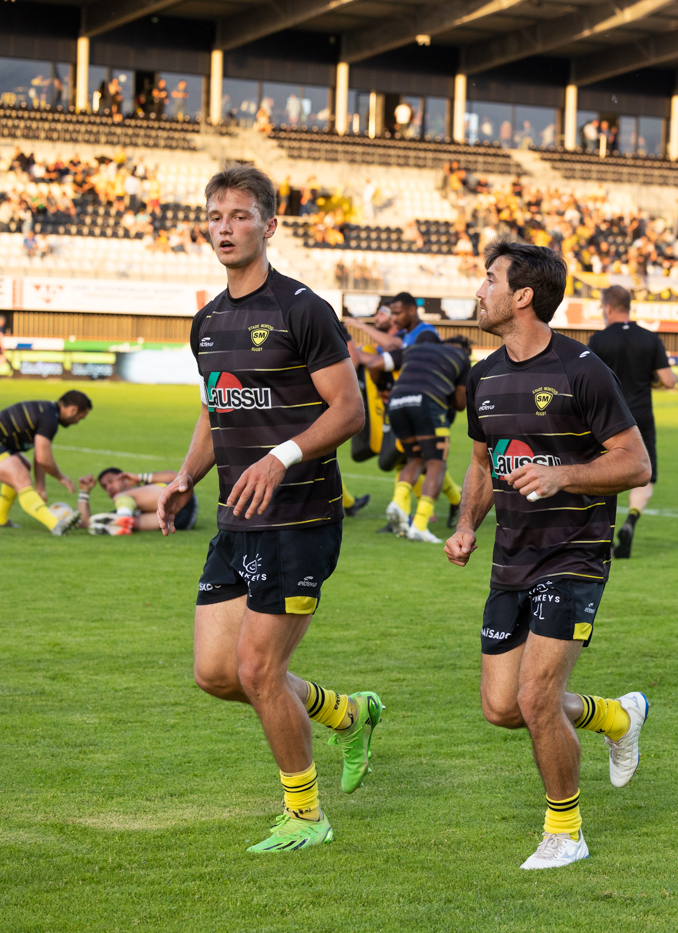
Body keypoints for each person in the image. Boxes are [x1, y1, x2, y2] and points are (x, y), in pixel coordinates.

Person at [155, 164, 382, 853]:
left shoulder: (302, 309)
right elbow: (215, 407)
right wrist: (187, 475)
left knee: (258, 671)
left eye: (240, 215)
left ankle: (306, 815)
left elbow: (348, 410)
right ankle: (347, 713)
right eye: (215, 216)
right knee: (216, 675)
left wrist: (281, 457)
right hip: (236, 519)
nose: (224, 228)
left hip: (300, 520)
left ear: (269, 225)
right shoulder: (208, 320)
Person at [445, 241, 652, 870]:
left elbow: (635, 463)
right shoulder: (483, 376)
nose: (479, 290)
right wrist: (466, 524)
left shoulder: (581, 369)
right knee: (502, 707)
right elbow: (483, 462)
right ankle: (615, 717)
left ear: (522, 296)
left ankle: (566, 833)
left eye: (489, 279)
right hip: (511, 556)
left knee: (536, 699)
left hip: (574, 553)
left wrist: (563, 475)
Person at [352, 331, 472, 543]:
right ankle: (420, 525)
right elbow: (461, 403)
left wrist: (383, 389)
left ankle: (398, 502)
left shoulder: (411, 349)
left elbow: (374, 364)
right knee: (436, 464)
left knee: (414, 459)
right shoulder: (461, 357)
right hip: (427, 403)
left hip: (397, 402)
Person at [587, 285, 676, 558]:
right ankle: (631, 520)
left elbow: (588, 380)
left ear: (608, 308)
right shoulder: (650, 338)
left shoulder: (599, 340)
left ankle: (603, 535)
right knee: (644, 471)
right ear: (629, 307)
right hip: (640, 417)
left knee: (600, 474)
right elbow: (669, 381)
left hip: (605, 418)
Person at [0, 391, 91, 535]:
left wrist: (40, 487)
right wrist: (61, 477)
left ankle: (1, 518)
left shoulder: (49, 412)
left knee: (23, 467)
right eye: (80, 418)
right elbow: (43, 458)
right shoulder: (49, 418)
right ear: (73, 410)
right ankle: (55, 524)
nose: (77, 422)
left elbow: (40, 454)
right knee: (21, 478)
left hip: (3, 443)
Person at [78, 467, 198, 534]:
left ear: (124, 479)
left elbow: (178, 478)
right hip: (180, 522)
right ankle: (123, 523)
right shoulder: (124, 507)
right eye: (105, 487)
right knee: (113, 522)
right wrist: (84, 492)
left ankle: (122, 520)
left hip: (183, 500)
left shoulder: (144, 485)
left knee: (122, 498)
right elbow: (85, 523)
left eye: (110, 481)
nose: (108, 487)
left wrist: (140, 477)